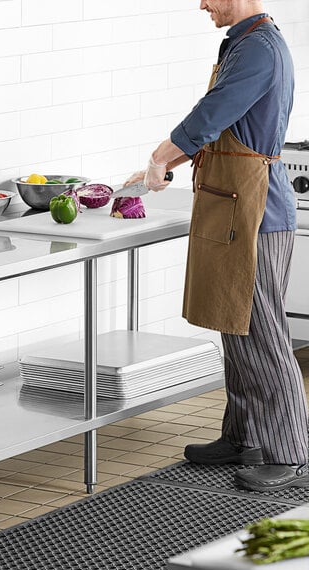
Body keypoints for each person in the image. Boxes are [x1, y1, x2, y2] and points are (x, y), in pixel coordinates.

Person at [126, 0, 309, 491]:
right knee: (236, 323)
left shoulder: (260, 49)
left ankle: (291, 453)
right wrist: (165, 167)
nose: (202, 3)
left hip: (258, 213)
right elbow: (227, 129)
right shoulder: (245, 43)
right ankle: (245, 437)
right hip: (234, 202)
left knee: (263, 332)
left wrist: (160, 156)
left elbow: (212, 114)